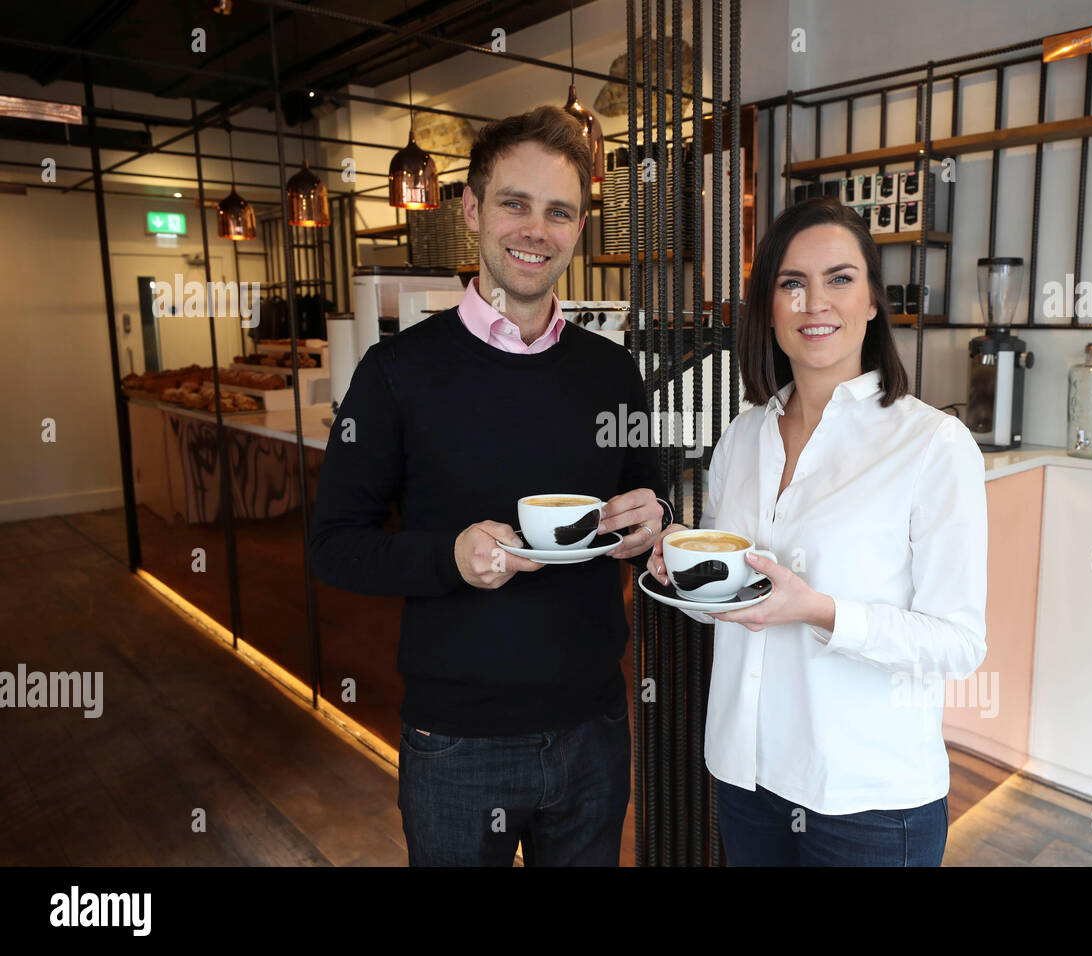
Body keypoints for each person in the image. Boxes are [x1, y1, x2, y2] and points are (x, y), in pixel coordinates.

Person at [310, 106, 668, 866]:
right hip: (457, 739)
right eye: (515, 203)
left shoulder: (611, 371)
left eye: (559, 212)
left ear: (579, 229)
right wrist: (450, 557)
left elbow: (648, 505)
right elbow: (335, 547)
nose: (536, 230)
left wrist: (655, 519)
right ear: (472, 209)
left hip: (594, 727)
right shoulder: (396, 371)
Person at [649, 195, 988, 866]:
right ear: (770, 307)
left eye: (839, 279)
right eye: (792, 284)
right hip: (746, 776)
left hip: (866, 798)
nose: (814, 303)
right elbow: (733, 602)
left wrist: (820, 611)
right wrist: (685, 580)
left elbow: (958, 645)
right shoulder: (743, 436)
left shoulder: (932, 444)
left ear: (872, 301)